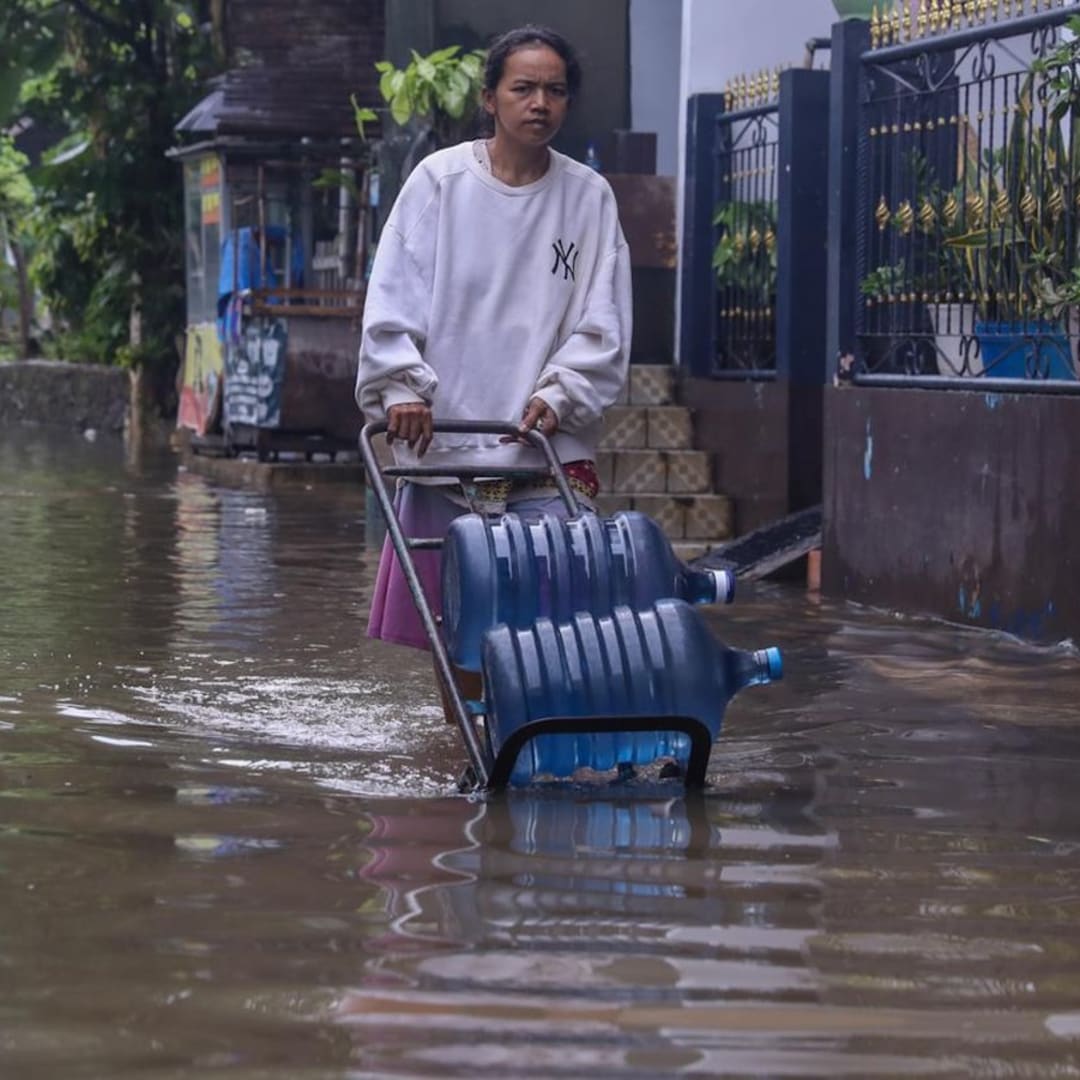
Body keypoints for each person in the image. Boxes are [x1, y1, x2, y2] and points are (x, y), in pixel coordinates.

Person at [356, 24, 632, 714]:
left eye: (556, 90)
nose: (540, 103)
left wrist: (564, 391)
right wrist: (401, 388)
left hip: (541, 444)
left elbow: (604, 319)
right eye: (524, 87)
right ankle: (470, 765)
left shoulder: (589, 196)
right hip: (445, 441)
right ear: (490, 98)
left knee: (553, 629)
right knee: (461, 636)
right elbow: (394, 293)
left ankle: (522, 755)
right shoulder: (439, 183)